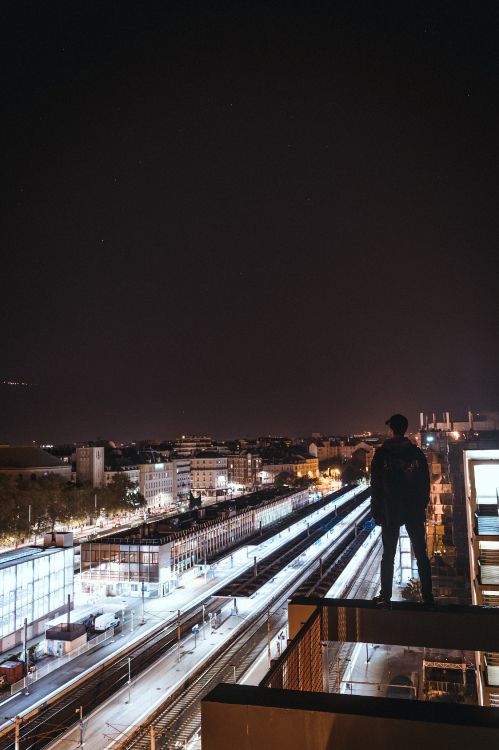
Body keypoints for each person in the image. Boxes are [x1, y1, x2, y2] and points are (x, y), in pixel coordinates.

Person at [370, 413, 434, 606]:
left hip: (391, 509)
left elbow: (376, 486)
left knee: (388, 554)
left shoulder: (381, 454)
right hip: (413, 509)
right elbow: (425, 483)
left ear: (391, 429)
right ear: (405, 429)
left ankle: (386, 596)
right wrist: (420, 505)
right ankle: (428, 597)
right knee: (421, 554)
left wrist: (377, 512)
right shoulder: (416, 453)